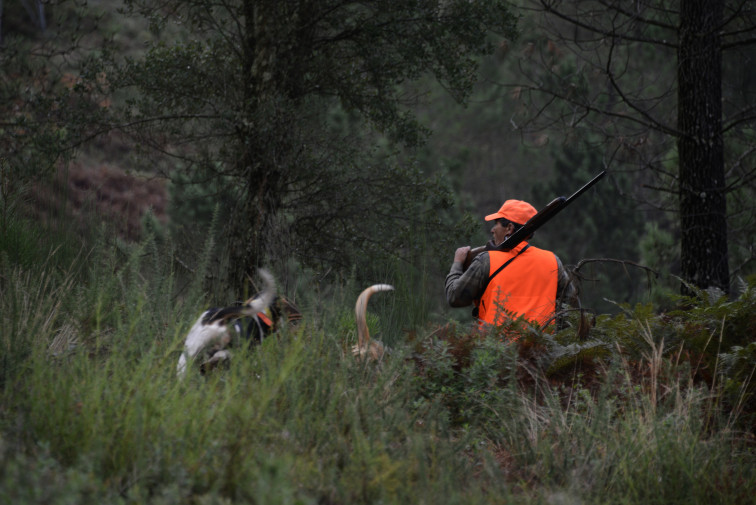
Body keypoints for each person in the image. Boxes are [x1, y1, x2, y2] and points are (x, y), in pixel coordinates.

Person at [445, 199, 576, 331]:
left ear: (509, 228)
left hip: (495, 349)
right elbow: (571, 307)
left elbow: (455, 297)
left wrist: (457, 263)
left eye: (496, 224)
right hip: (541, 347)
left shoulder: (487, 260)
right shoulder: (553, 261)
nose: (492, 230)